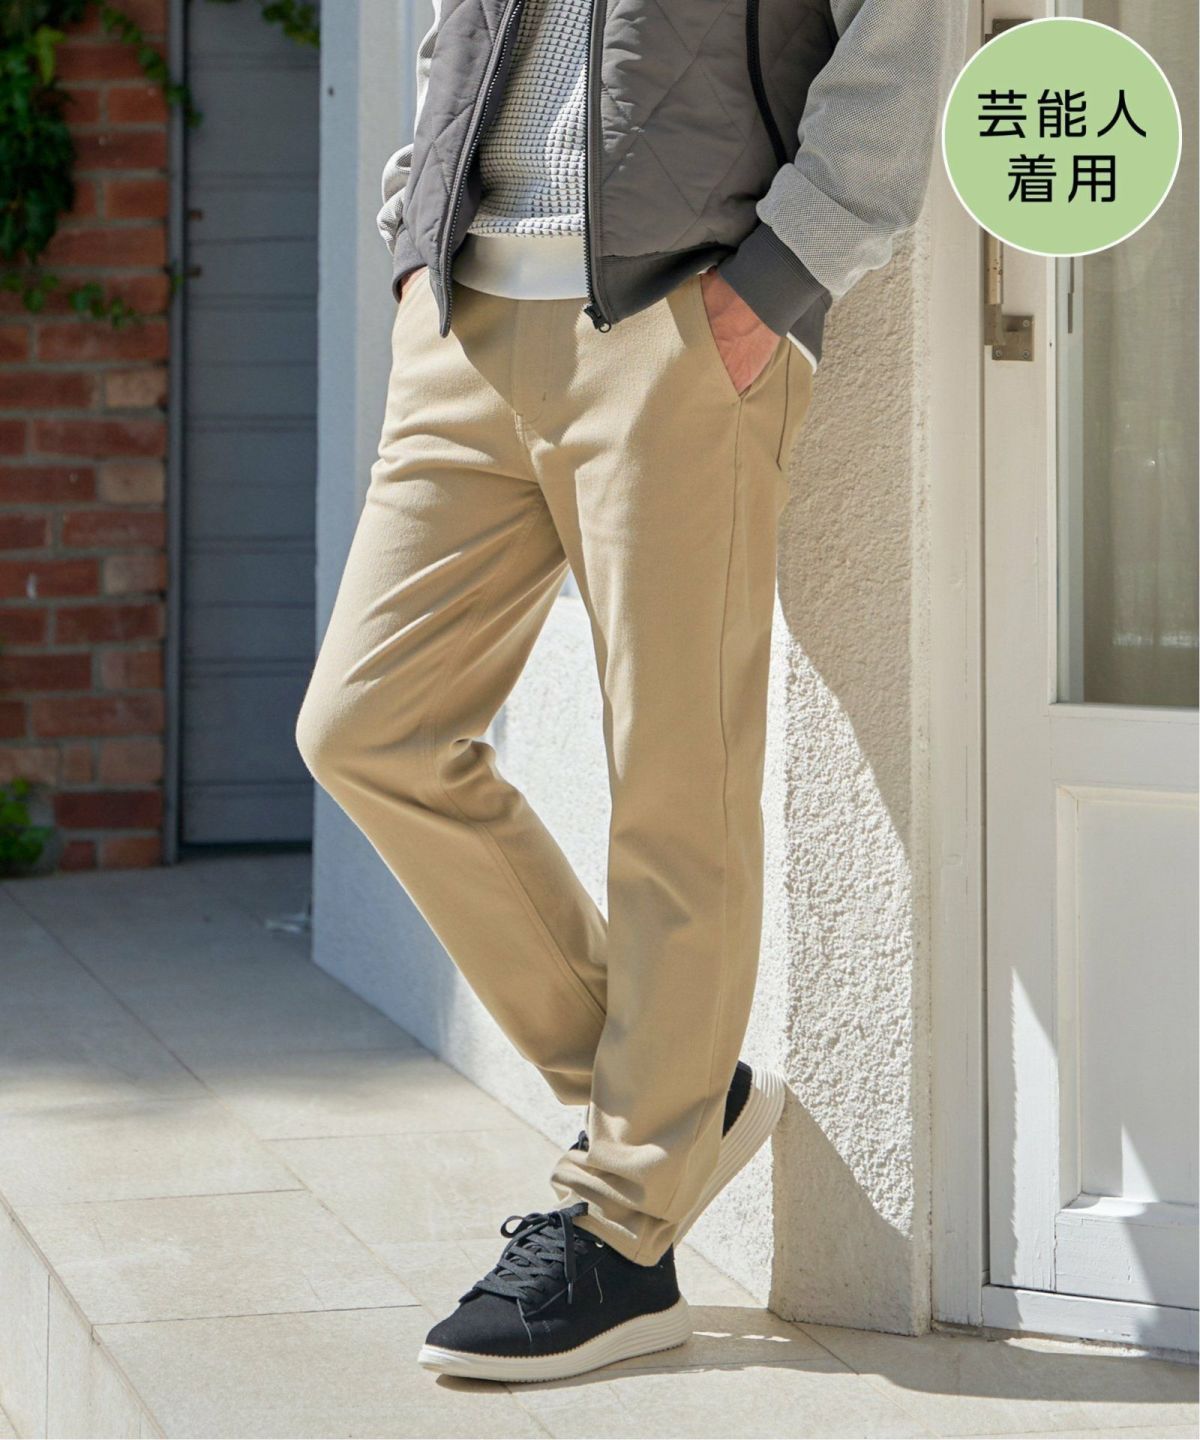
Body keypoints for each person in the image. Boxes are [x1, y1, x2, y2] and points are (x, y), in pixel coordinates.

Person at [296, 0, 962, 1384]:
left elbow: (896, 49)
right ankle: (671, 1101)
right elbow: (455, 35)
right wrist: (416, 248)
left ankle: (624, 1227)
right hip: (467, 320)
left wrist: (777, 283)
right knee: (365, 728)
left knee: (676, 785)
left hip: (677, 318)